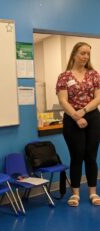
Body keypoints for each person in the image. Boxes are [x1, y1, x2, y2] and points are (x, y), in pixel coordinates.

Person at [56, 42, 100, 207]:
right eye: (82, 53)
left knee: (91, 157)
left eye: (88, 54)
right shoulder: (64, 76)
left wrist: (83, 111)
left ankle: (93, 192)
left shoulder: (94, 74)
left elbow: (98, 98)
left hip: (93, 118)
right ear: (74, 54)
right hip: (72, 120)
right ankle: (75, 194)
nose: (85, 57)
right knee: (77, 156)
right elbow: (62, 100)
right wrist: (76, 116)